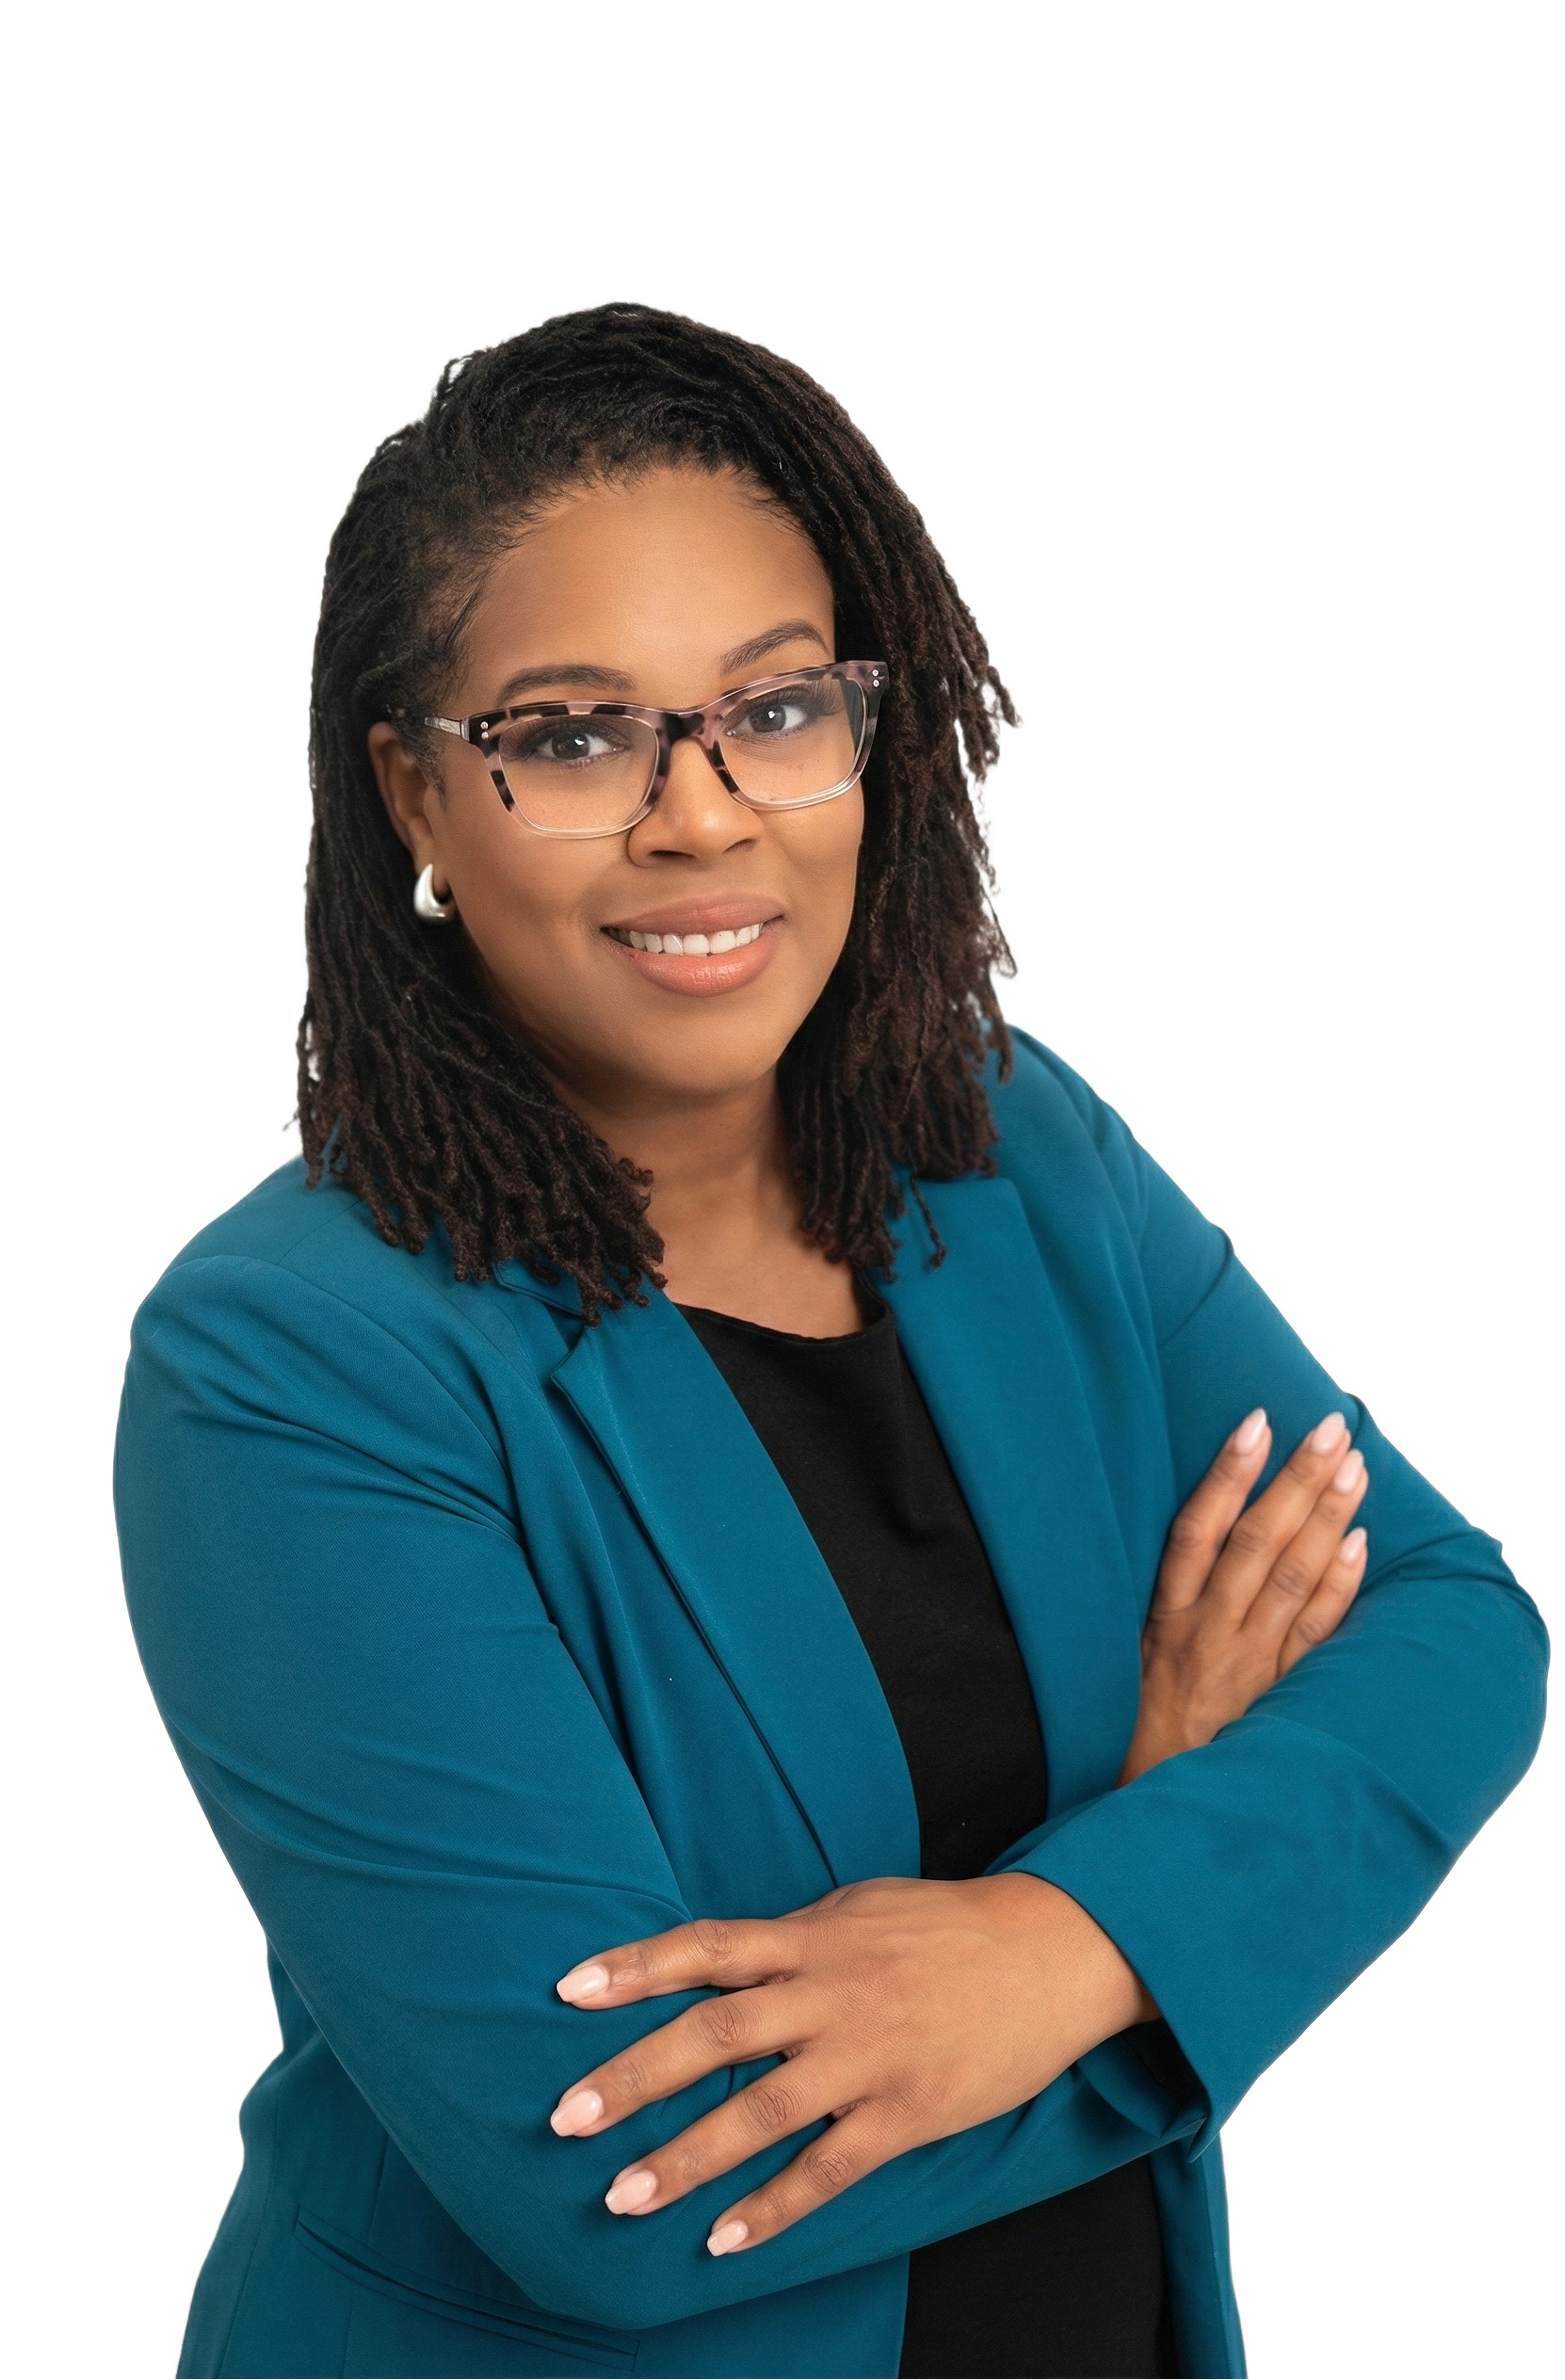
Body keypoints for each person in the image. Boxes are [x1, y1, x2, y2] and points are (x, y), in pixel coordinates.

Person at [112, 301, 1548, 2380]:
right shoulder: (288, 1368)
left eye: (774, 707)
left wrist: (1053, 1947)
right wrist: (1174, 1913)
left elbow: (1446, 1623)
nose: (701, 817)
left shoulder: (1004, 1141)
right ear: (417, 794)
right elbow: (634, 2179)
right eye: (574, 734)